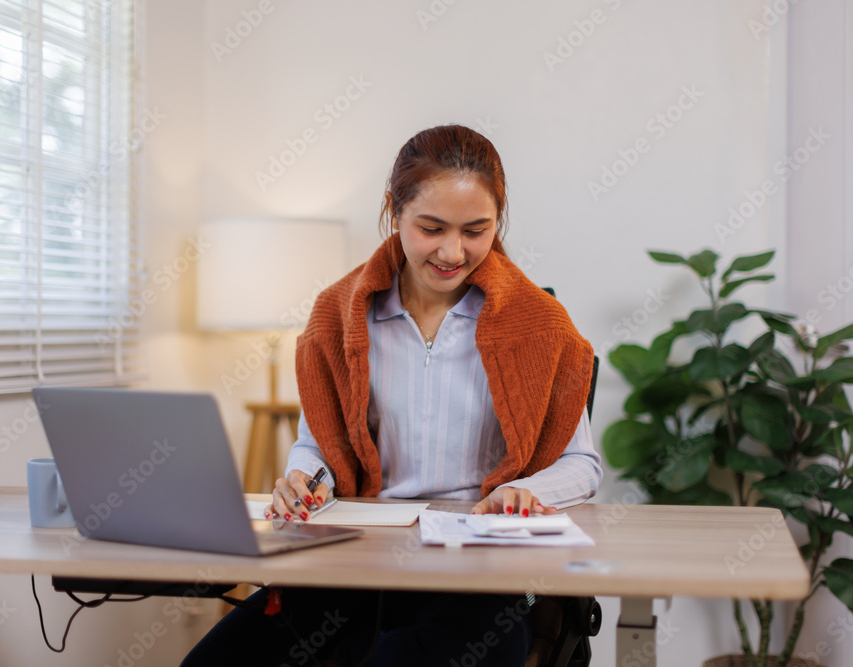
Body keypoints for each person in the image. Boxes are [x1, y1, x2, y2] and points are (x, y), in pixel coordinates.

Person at [180, 124, 599, 667]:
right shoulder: (339, 318)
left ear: (498, 221)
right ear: (393, 213)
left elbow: (582, 464)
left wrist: (524, 492)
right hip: (360, 559)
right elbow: (317, 444)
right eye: (432, 228)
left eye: (477, 230)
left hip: (483, 567)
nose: (454, 251)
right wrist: (307, 479)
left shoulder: (542, 327)